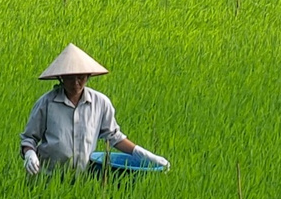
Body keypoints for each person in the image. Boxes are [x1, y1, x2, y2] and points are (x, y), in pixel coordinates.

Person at [20, 44, 171, 175]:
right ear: (61, 77)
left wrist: (144, 155)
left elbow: (113, 137)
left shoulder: (100, 103)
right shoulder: (46, 103)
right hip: (48, 177)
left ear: (88, 76)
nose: (76, 83)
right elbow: (29, 138)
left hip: (84, 178)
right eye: (70, 78)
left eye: (81, 77)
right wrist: (30, 154)